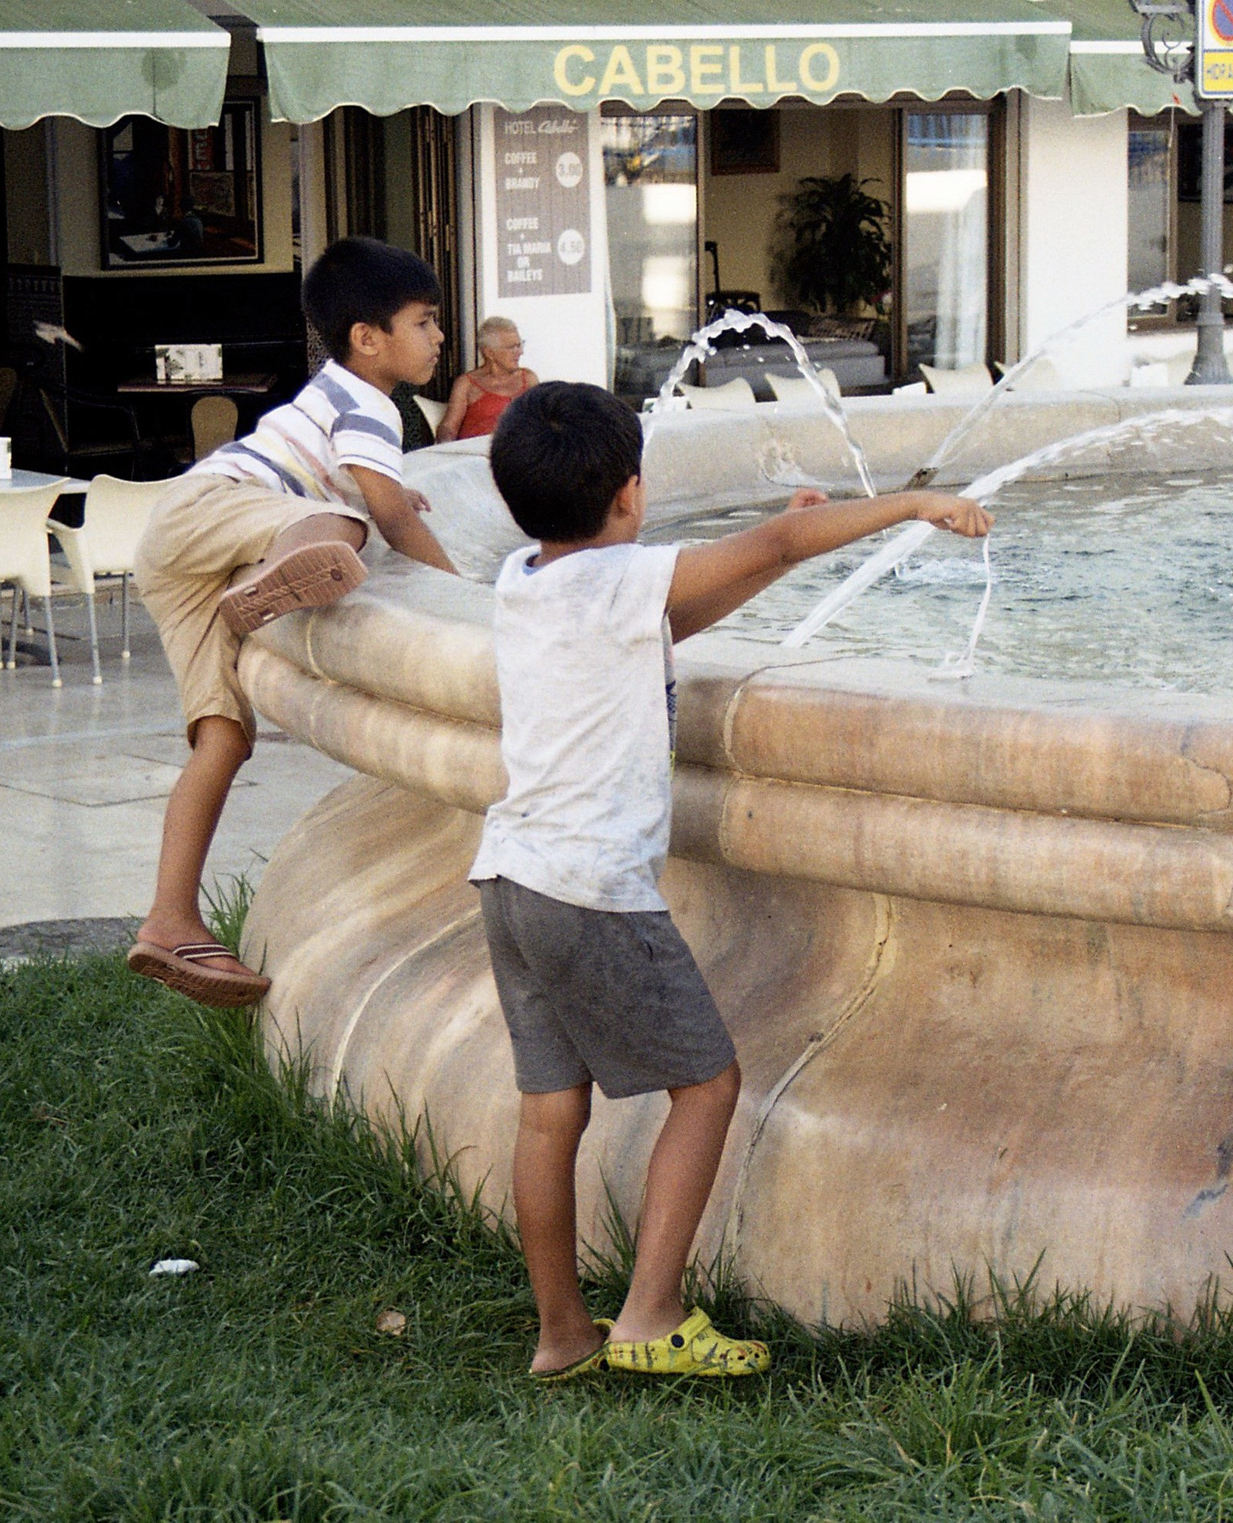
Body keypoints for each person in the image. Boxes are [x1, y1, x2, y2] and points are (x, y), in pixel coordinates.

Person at [473, 382, 990, 1380]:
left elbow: (685, 608)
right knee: (708, 1085)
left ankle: (560, 1334)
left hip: (510, 877)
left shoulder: (524, 577)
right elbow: (768, 552)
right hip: (589, 888)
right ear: (630, 493)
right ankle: (651, 1315)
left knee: (549, 1109)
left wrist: (783, 539)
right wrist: (911, 505)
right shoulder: (623, 581)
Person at [126, 237, 458, 1007]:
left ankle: (169, 917)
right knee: (347, 530)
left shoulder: (331, 393)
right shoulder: (372, 401)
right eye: (425, 320)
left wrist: (391, 501)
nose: (439, 336)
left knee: (223, 735)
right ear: (367, 338)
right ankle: (283, 578)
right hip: (215, 512)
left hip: (175, 545)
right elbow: (386, 513)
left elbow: (373, 485)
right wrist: (467, 595)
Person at [437, 316, 537, 441]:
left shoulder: (528, 378)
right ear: (490, 353)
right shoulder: (467, 383)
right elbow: (449, 427)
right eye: (512, 347)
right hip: (477, 454)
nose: (520, 352)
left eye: (520, 345)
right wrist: (446, 447)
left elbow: (542, 421)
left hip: (517, 452)